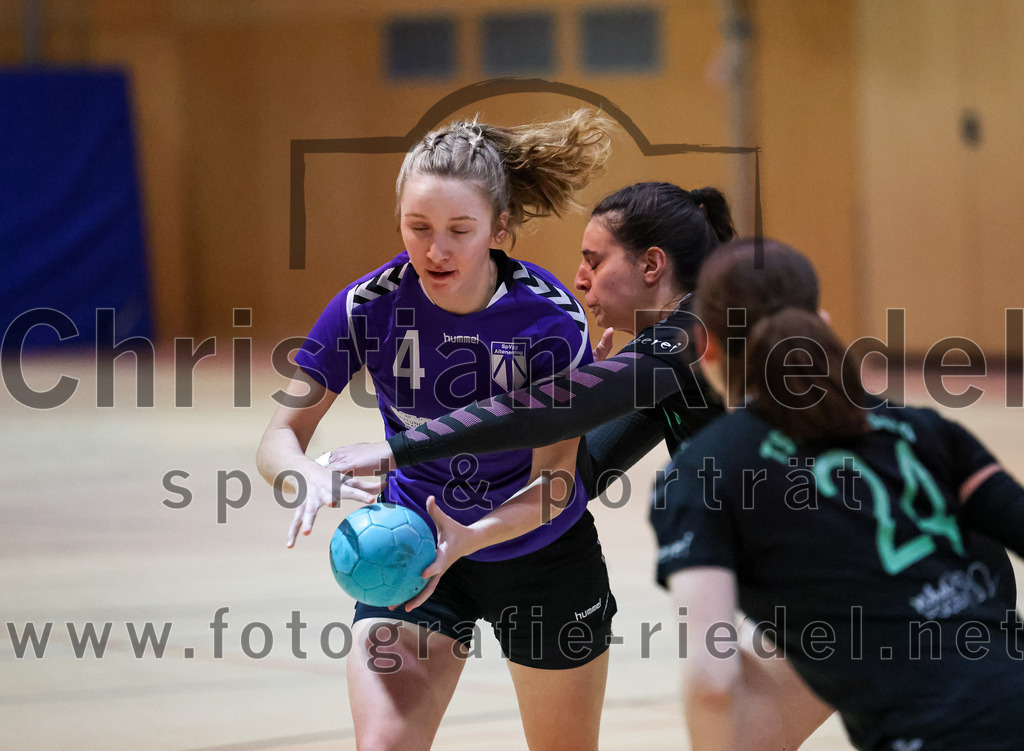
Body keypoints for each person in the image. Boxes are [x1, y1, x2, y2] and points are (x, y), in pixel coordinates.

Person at [327, 182, 835, 747]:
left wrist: (405, 447)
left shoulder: (704, 328)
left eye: (593, 260)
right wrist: (470, 534)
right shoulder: (662, 364)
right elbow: (575, 475)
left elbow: (548, 412)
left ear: (651, 265)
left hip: (861, 566)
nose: (579, 278)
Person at [256, 110, 618, 751]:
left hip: (537, 554)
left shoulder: (550, 320)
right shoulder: (369, 305)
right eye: (417, 227)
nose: (435, 249)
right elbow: (279, 437)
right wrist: (305, 473)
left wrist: (471, 537)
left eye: (459, 230)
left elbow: (559, 481)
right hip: (410, 553)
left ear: (499, 230)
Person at [654, 237, 1024, 751]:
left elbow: (713, 684)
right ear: (822, 325)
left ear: (705, 344)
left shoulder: (704, 470)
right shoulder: (922, 428)